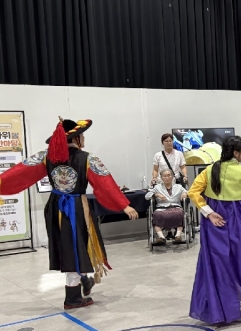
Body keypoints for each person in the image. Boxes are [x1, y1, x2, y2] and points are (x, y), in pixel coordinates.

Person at [0, 118, 138, 309]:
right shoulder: (87, 158)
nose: (84, 139)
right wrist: (123, 205)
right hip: (76, 207)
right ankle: (73, 297)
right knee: (76, 246)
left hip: (55, 206)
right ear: (77, 138)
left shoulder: (46, 156)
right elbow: (104, 183)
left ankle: (84, 280)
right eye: (82, 136)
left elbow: (18, 173)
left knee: (70, 247)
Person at [188, 136, 241, 324]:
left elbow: (193, 192)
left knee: (217, 265)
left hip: (215, 222)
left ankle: (221, 310)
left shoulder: (209, 170)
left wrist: (209, 212)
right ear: (236, 152)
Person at [146, 168, 188, 245]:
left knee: (180, 213)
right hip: (162, 208)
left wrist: (185, 194)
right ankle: (161, 237)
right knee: (156, 215)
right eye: (164, 176)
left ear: (172, 177)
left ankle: (178, 235)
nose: (167, 178)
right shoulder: (157, 187)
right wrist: (156, 195)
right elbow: (147, 196)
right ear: (161, 178)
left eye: (169, 175)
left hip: (175, 207)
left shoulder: (179, 187)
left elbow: (188, 192)